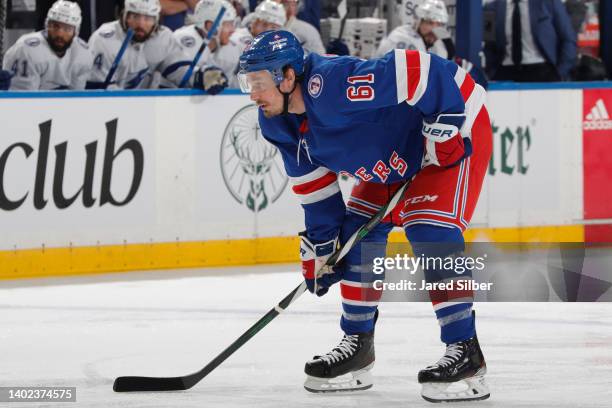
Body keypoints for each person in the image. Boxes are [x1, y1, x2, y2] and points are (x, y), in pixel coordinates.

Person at [238, 30, 492, 402]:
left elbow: (420, 69)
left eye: (259, 82)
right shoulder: (276, 122)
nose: (253, 94)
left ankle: (466, 350)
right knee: (356, 235)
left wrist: (444, 123)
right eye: (249, 82)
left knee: (427, 228)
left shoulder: (333, 84)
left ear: (288, 76)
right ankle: (358, 345)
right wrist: (323, 249)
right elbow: (318, 195)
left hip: (453, 128)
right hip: (394, 152)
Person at [87, 0, 227, 92]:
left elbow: (180, 71)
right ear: (125, 16)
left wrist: (203, 76)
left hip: (145, 110)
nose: (141, 24)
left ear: (156, 20)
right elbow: (96, 88)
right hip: (107, 113)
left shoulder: (163, 38)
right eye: (135, 17)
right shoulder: (105, 39)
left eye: (148, 19)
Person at [376, 0, 488, 88]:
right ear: (418, 21)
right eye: (430, 23)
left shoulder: (437, 44)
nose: (434, 29)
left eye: (439, 24)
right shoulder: (401, 38)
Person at [2, 0, 93, 90]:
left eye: (67, 28)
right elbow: (23, 99)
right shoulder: (27, 50)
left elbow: (77, 98)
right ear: (47, 25)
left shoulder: (83, 53)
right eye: (55, 26)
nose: (60, 34)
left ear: (75, 32)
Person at [484, 0, 577, 82]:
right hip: (505, 72)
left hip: (542, 71)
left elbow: (568, 38)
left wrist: (560, 73)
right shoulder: (491, 8)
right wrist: (492, 73)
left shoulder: (548, 3)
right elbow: (488, 43)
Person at [174, 0, 241, 87]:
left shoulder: (232, 49)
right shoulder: (182, 40)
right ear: (210, 26)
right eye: (228, 24)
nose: (233, 30)